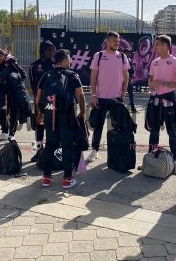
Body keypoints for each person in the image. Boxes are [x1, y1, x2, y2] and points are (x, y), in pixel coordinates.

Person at [36, 49, 86, 189]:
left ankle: (46, 177)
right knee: (67, 146)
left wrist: (40, 114)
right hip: (67, 116)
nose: (70, 61)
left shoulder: (46, 75)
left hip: (50, 115)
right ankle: (67, 179)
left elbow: (38, 98)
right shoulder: (72, 75)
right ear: (64, 60)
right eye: (69, 58)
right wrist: (82, 112)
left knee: (50, 145)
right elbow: (80, 95)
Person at [143, 35, 176, 175]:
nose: (155, 47)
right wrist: (150, 85)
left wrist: (164, 83)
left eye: (158, 44)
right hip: (155, 99)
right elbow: (150, 79)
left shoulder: (175, 62)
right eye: (155, 45)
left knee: (172, 132)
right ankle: (150, 160)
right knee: (154, 131)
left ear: (166, 46)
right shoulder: (154, 62)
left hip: (169, 99)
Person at [87, 31, 130, 163]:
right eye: (114, 41)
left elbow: (126, 76)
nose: (117, 44)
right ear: (107, 41)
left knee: (117, 126)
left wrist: (123, 92)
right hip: (100, 97)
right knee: (98, 126)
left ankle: (114, 152)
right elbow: (93, 76)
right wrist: (93, 94)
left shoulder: (122, 56)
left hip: (116, 98)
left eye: (118, 41)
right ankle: (95, 150)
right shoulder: (99, 55)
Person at [0, 47, 28, 141]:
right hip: (1, 92)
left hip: (12, 92)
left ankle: (11, 134)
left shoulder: (11, 62)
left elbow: (23, 75)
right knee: (0, 112)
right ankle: (4, 132)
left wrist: (10, 78)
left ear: (2, 55)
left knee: (14, 113)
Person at [29, 40, 55, 158]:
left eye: (52, 50)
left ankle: (51, 152)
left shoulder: (56, 64)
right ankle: (39, 151)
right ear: (42, 50)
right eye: (49, 50)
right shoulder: (34, 66)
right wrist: (37, 101)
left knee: (52, 127)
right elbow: (33, 84)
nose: (51, 52)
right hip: (39, 102)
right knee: (39, 126)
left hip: (54, 102)